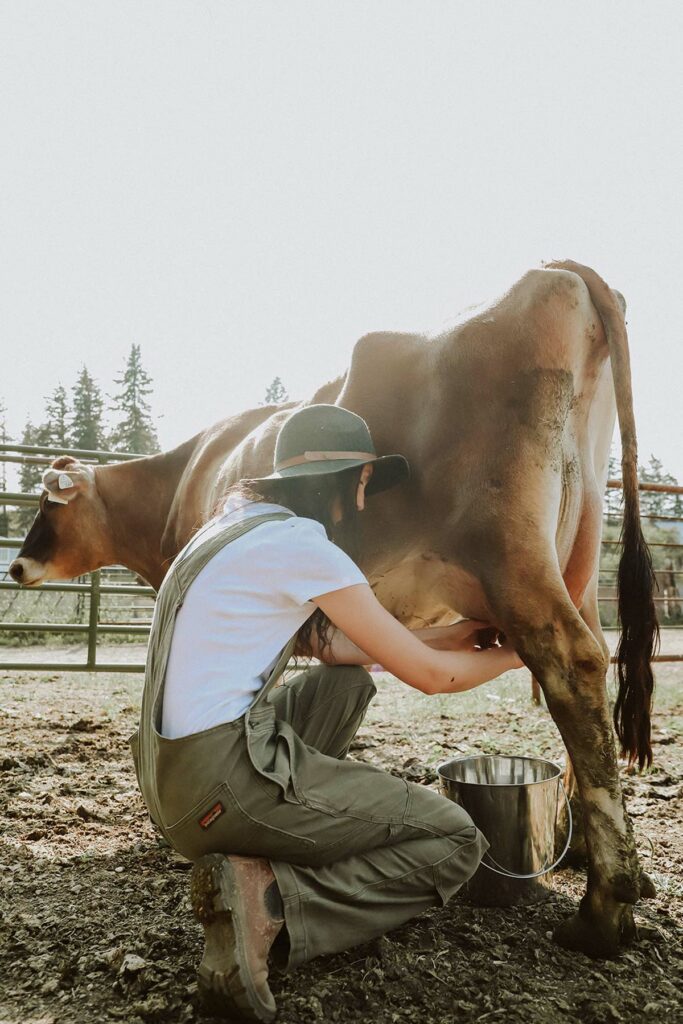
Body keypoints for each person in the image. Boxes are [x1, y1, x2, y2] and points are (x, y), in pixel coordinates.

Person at [131, 404, 522, 1023]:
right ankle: (272, 905)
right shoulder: (302, 545)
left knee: (343, 686)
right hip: (218, 786)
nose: (362, 504)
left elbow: (337, 648)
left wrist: (457, 633)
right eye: (364, 484)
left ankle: (267, 847)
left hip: (169, 779)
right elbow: (433, 679)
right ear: (347, 479)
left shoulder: (230, 529)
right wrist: (521, 652)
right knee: (452, 839)